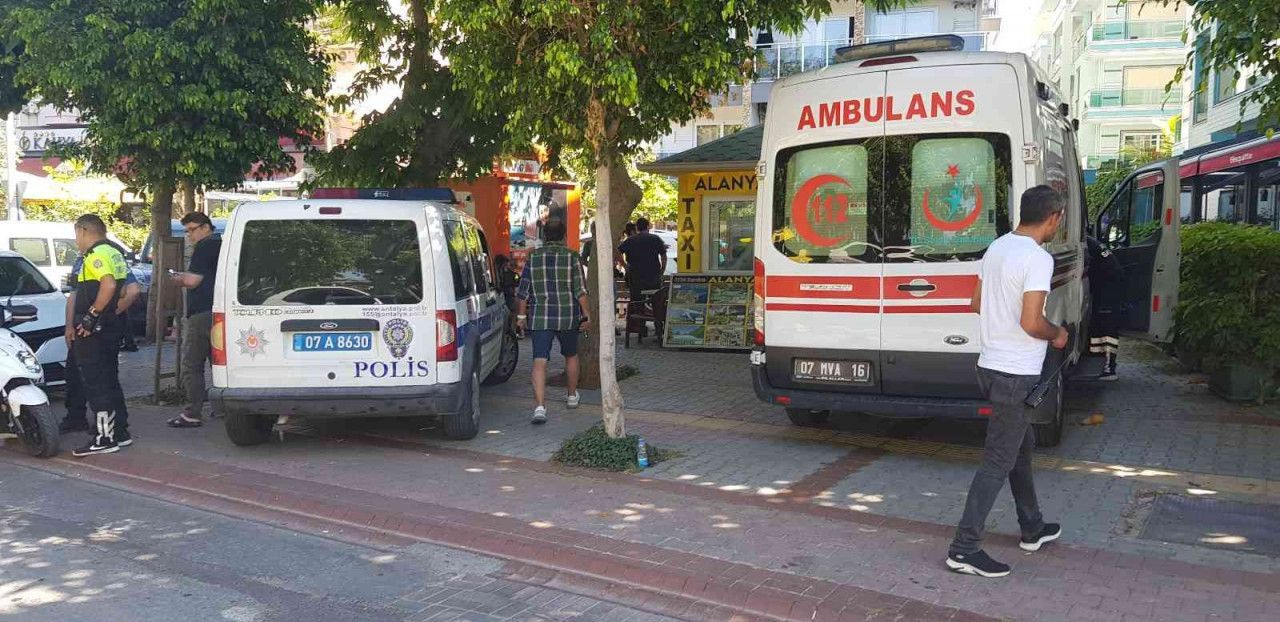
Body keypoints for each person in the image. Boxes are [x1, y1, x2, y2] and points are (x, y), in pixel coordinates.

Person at [946, 185, 1065, 578]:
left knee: (1020, 446)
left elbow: (976, 303)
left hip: (989, 367)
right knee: (997, 460)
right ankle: (964, 549)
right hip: (1016, 374)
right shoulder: (1038, 258)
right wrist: (1057, 333)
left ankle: (1032, 526)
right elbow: (1032, 322)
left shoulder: (996, 248)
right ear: (1053, 217)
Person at [515, 211, 591, 425]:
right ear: (564, 236)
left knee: (539, 360)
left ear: (544, 236)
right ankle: (572, 396)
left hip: (540, 317)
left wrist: (521, 316)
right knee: (571, 356)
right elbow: (580, 290)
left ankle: (540, 407)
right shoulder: (572, 257)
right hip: (567, 316)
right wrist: (587, 315)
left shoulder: (533, 258)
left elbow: (523, 292)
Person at [61, 240, 142, 436]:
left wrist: (103, 315)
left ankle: (109, 429)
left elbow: (130, 290)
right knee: (79, 373)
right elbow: (74, 295)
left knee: (100, 379)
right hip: (84, 325)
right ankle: (82, 419)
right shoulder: (84, 259)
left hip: (95, 327)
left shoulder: (102, 255)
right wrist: (70, 325)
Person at [68, 214, 131, 456]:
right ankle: (119, 432)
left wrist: (91, 316)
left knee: (96, 383)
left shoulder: (96, 254)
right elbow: (122, 290)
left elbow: (109, 285)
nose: (76, 240)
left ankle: (104, 438)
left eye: (76, 234)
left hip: (93, 330)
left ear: (84, 231)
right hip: (111, 325)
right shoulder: (115, 252)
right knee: (109, 379)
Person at [167, 212, 221, 428]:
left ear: (206, 227)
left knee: (192, 364)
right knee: (218, 363)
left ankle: (192, 412)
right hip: (218, 311)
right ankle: (222, 408)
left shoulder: (204, 247)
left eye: (192, 230)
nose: (189, 235)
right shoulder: (220, 245)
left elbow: (193, 281)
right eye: (187, 231)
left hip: (201, 314)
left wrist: (177, 278)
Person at [618, 217, 667, 336]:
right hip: (653, 277)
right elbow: (663, 256)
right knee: (657, 302)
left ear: (637, 227)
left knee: (638, 303)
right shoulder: (655, 239)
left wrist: (625, 266)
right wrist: (661, 270)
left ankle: (641, 328)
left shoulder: (630, 240)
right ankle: (658, 328)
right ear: (648, 226)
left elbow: (617, 253)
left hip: (636, 278)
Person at [1087, 235, 1123, 381]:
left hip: (1107, 292)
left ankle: (1109, 369)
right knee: (1100, 328)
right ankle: (1101, 365)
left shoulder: (1088, 245)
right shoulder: (1093, 244)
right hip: (1107, 289)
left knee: (1107, 331)